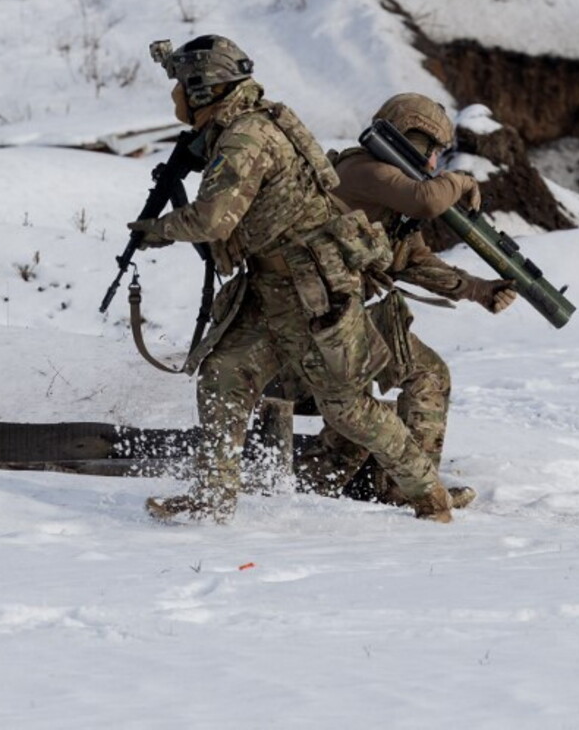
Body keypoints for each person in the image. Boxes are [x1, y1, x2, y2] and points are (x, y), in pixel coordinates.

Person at [130, 36, 458, 524]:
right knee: (222, 377)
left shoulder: (246, 136)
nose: (176, 95)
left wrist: (156, 230)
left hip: (314, 294)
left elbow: (213, 220)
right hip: (269, 289)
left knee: (348, 409)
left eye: (181, 84)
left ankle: (430, 497)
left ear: (204, 89)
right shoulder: (244, 124)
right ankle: (214, 494)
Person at [294, 92, 517, 508]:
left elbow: (413, 260)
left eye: (438, 153)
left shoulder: (389, 191)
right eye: (428, 148)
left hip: (343, 321)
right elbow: (428, 201)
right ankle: (405, 488)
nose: (432, 162)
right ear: (404, 135)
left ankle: (332, 485)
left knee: (417, 380)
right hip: (315, 323)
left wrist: (479, 290)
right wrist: (463, 181)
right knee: (417, 380)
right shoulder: (363, 171)